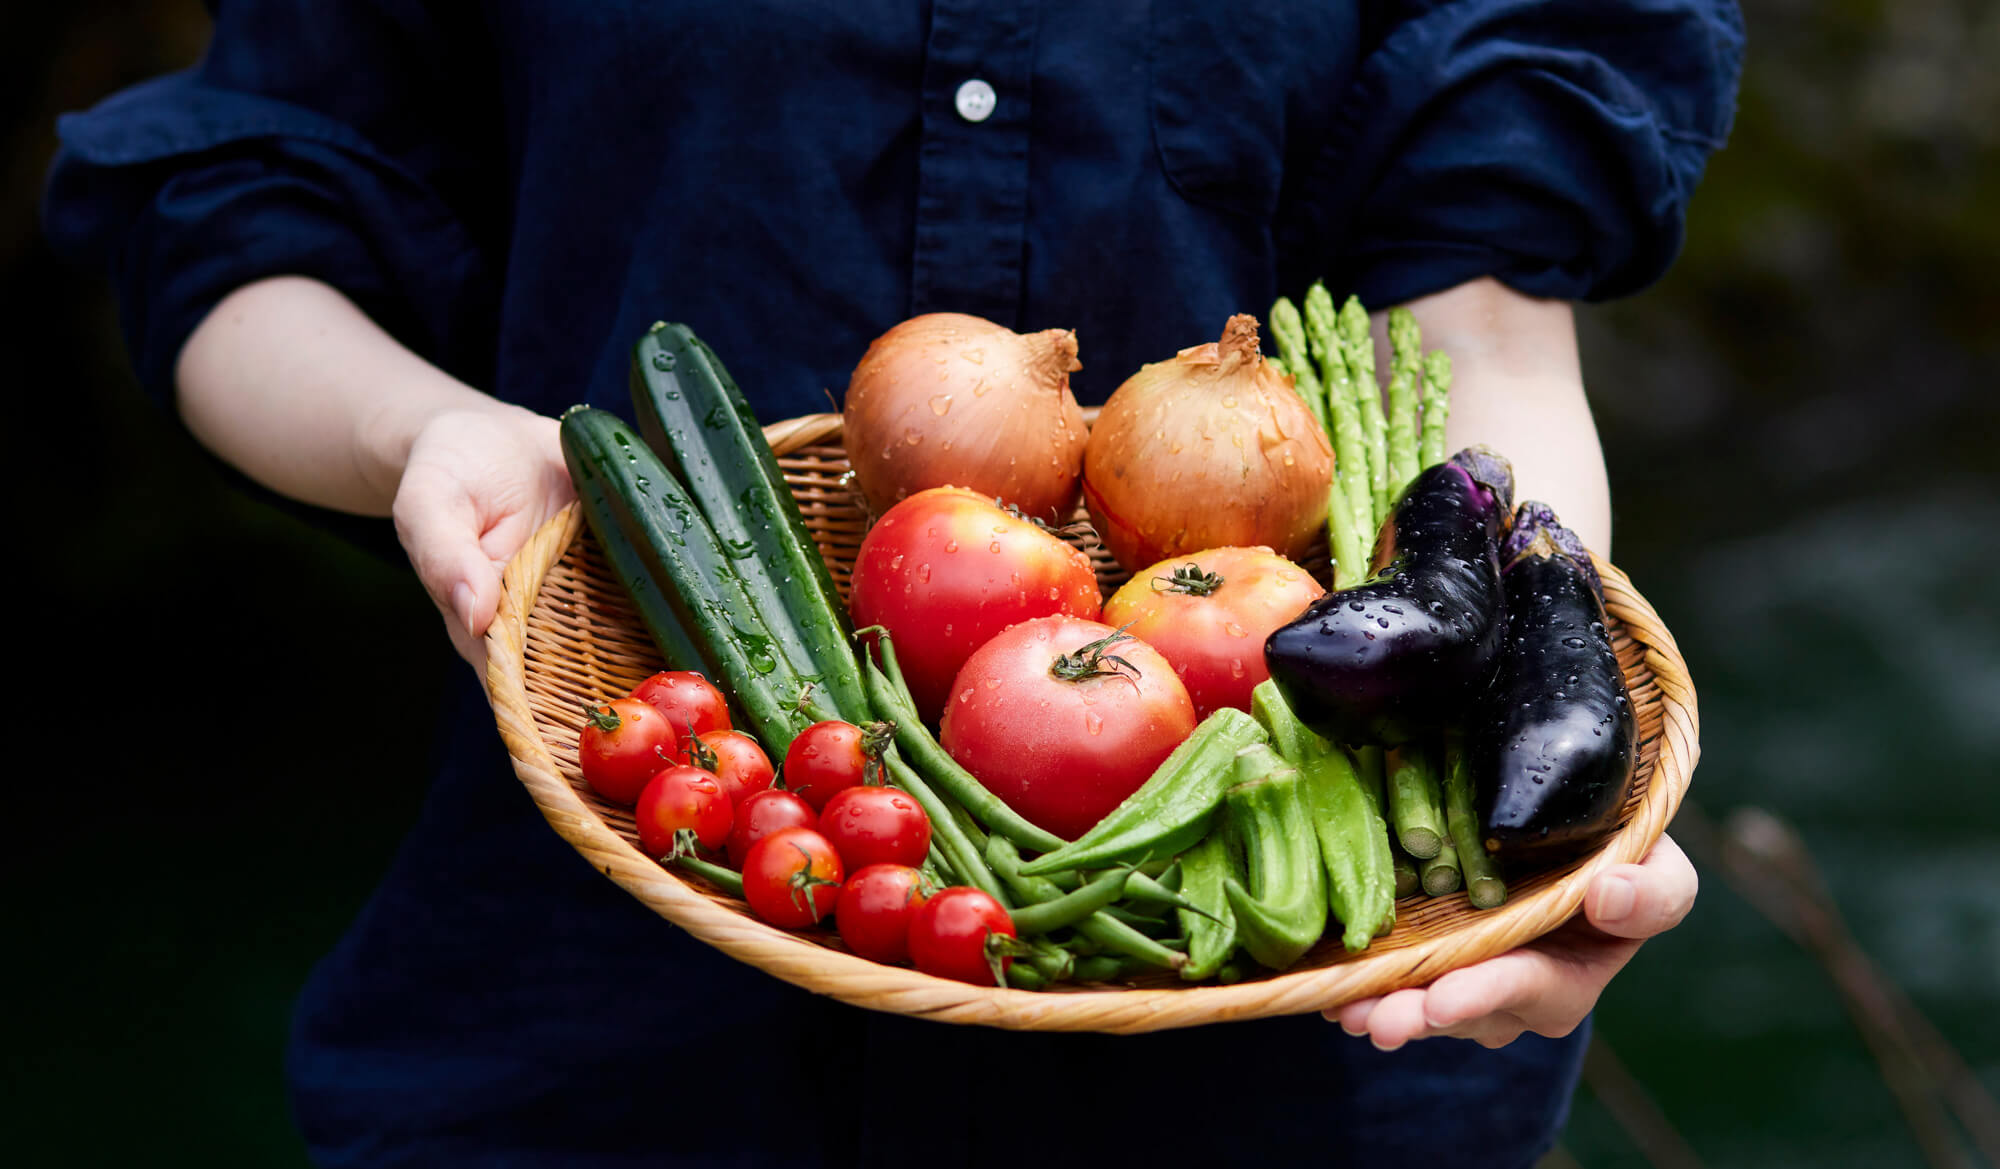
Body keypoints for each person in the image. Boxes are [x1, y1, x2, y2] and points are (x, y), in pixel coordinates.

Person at [45, 2, 1741, 1165]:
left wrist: (1540, 771)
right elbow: (245, 212)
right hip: (599, 1012)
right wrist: (425, 433)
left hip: (1294, 1062)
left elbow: (1478, 335)